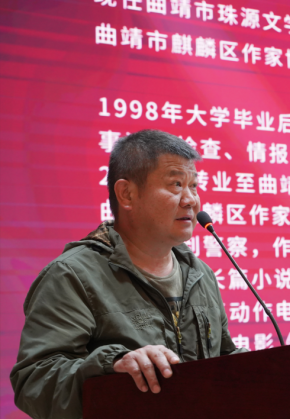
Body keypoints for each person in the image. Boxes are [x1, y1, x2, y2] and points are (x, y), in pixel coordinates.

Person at [10, 130, 245, 419]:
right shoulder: (72, 275)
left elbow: (220, 360)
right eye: (176, 184)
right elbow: (34, 383)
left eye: (193, 186)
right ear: (127, 194)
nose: (190, 200)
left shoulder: (200, 274)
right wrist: (111, 365)